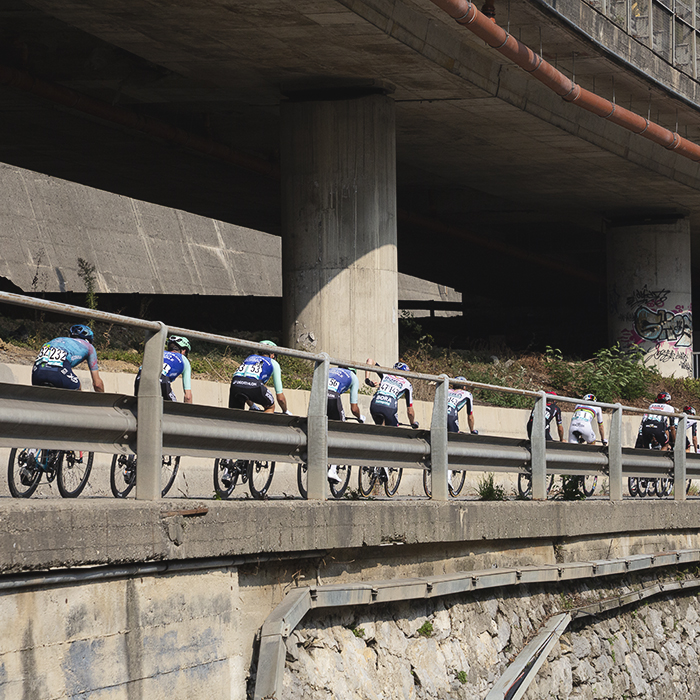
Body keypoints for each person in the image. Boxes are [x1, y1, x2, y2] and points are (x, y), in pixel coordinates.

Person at [32, 324, 104, 393]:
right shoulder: (89, 346)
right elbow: (97, 384)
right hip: (58, 372)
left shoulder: (55, 340)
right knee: (77, 388)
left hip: (37, 373)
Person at [326, 366, 366, 482]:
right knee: (340, 432)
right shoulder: (353, 377)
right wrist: (360, 417)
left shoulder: (330, 370)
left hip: (318, 395)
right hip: (333, 398)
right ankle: (333, 469)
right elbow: (354, 408)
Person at [229, 340, 289, 414]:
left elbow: (244, 384)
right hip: (255, 385)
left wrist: (252, 405)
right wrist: (285, 411)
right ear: (273, 355)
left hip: (235, 384)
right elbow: (280, 398)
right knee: (270, 406)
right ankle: (263, 425)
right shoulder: (273, 362)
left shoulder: (250, 357)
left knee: (235, 414)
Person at [134, 335, 193, 403]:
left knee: (139, 406)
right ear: (184, 351)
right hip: (161, 379)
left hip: (141, 377)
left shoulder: (158, 353)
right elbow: (188, 397)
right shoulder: (184, 360)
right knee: (171, 410)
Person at [367, 360, 418, 429]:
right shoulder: (407, 384)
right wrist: (412, 423)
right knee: (393, 433)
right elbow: (410, 412)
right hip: (389, 408)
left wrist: (367, 379)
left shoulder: (386, 374)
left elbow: (370, 361)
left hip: (375, 404)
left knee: (379, 429)